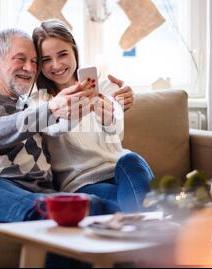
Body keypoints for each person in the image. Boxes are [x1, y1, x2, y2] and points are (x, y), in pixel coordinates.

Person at [0, 28, 134, 223]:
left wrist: (117, 102)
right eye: (20, 59)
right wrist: (51, 110)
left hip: (38, 191)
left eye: (35, 61)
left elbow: (68, 128)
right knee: (61, 210)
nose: (29, 68)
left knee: (97, 206)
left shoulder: (31, 104)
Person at [31, 19, 154, 213]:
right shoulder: (39, 101)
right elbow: (55, 128)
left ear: (74, 52)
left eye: (62, 54)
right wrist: (71, 107)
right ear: (39, 64)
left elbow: (116, 128)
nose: (56, 65)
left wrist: (108, 116)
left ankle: (143, 228)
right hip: (82, 183)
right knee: (128, 205)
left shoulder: (103, 87)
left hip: (120, 169)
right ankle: (152, 228)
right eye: (46, 59)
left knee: (132, 160)